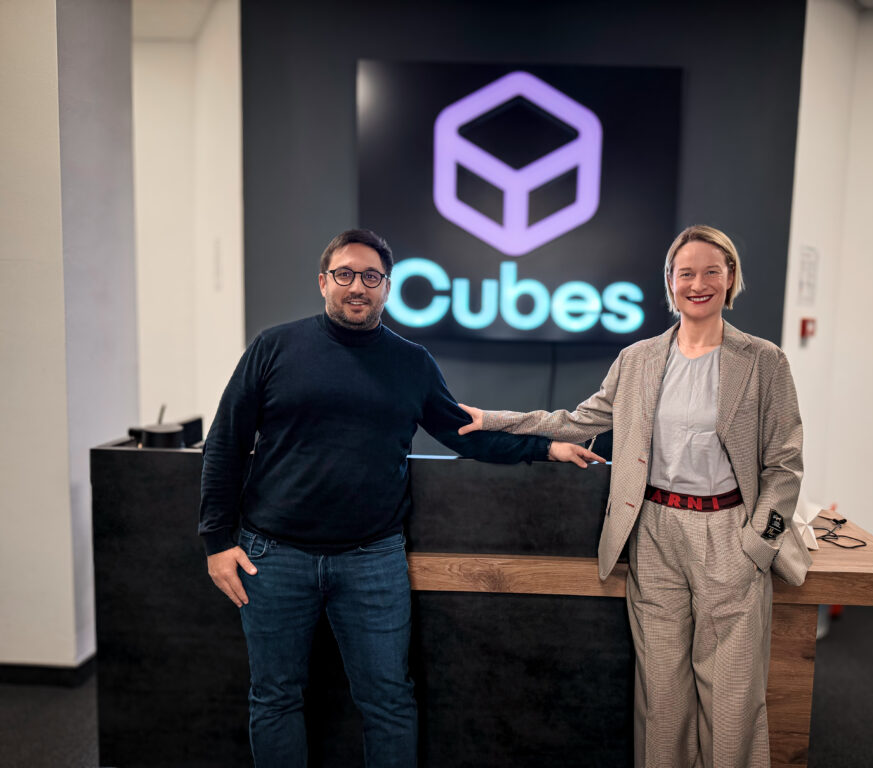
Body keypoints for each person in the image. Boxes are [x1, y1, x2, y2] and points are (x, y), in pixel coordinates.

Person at [199, 228, 598, 768]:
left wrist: (546, 448)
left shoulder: (412, 362)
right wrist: (216, 541)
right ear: (323, 282)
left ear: (387, 287)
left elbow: (463, 433)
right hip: (272, 557)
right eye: (345, 274)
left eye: (371, 277)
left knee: (387, 700)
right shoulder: (274, 347)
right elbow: (225, 442)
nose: (357, 286)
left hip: (372, 560)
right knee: (274, 698)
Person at [459, 225, 811, 768]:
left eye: (711, 272)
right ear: (670, 282)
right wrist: (494, 420)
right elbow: (576, 421)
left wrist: (757, 547)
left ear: (731, 278)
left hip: (729, 535)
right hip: (654, 533)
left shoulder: (765, 361)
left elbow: (784, 465)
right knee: (662, 698)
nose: (698, 284)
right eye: (686, 273)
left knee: (734, 698)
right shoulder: (638, 359)